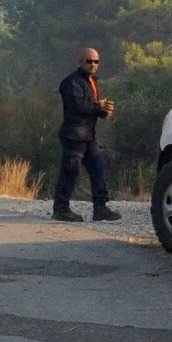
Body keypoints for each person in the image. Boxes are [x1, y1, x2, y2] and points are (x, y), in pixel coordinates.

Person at [54, 48, 121, 222]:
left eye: (96, 61)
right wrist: (99, 107)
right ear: (80, 62)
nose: (93, 64)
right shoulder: (71, 82)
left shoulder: (92, 81)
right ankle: (61, 209)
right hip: (74, 136)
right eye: (89, 61)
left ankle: (100, 209)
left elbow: (90, 108)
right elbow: (78, 106)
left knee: (98, 169)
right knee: (70, 172)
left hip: (89, 135)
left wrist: (104, 111)